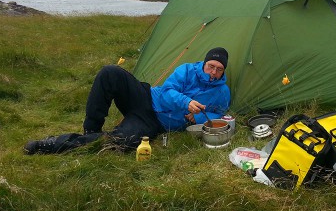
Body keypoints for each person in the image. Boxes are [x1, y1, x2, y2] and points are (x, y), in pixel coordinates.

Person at [24, 47, 231, 154]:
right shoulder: (186, 70)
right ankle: (91, 129)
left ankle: (53, 144)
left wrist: (201, 120)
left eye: (219, 68)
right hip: (146, 96)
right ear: (204, 63)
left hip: (154, 123)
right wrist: (186, 102)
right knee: (110, 72)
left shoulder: (222, 91)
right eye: (210, 66)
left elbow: (220, 115)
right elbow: (168, 91)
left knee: (122, 141)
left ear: (223, 71)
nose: (213, 72)